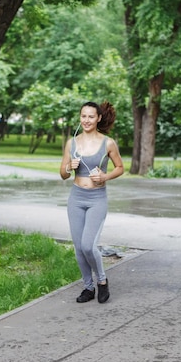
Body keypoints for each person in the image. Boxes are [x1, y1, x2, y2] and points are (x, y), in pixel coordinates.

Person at [60, 101, 124, 303]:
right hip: (76, 198)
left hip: (97, 198)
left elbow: (120, 168)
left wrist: (105, 177)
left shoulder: (108, 143)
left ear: (98, 118)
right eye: (83, 116)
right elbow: (62, 174)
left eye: (90, 116)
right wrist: (69, 166)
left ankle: (102, 281)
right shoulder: (72, 143)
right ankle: (88, 287)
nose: (86, 120)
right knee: (79, 247)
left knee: (89, 245)